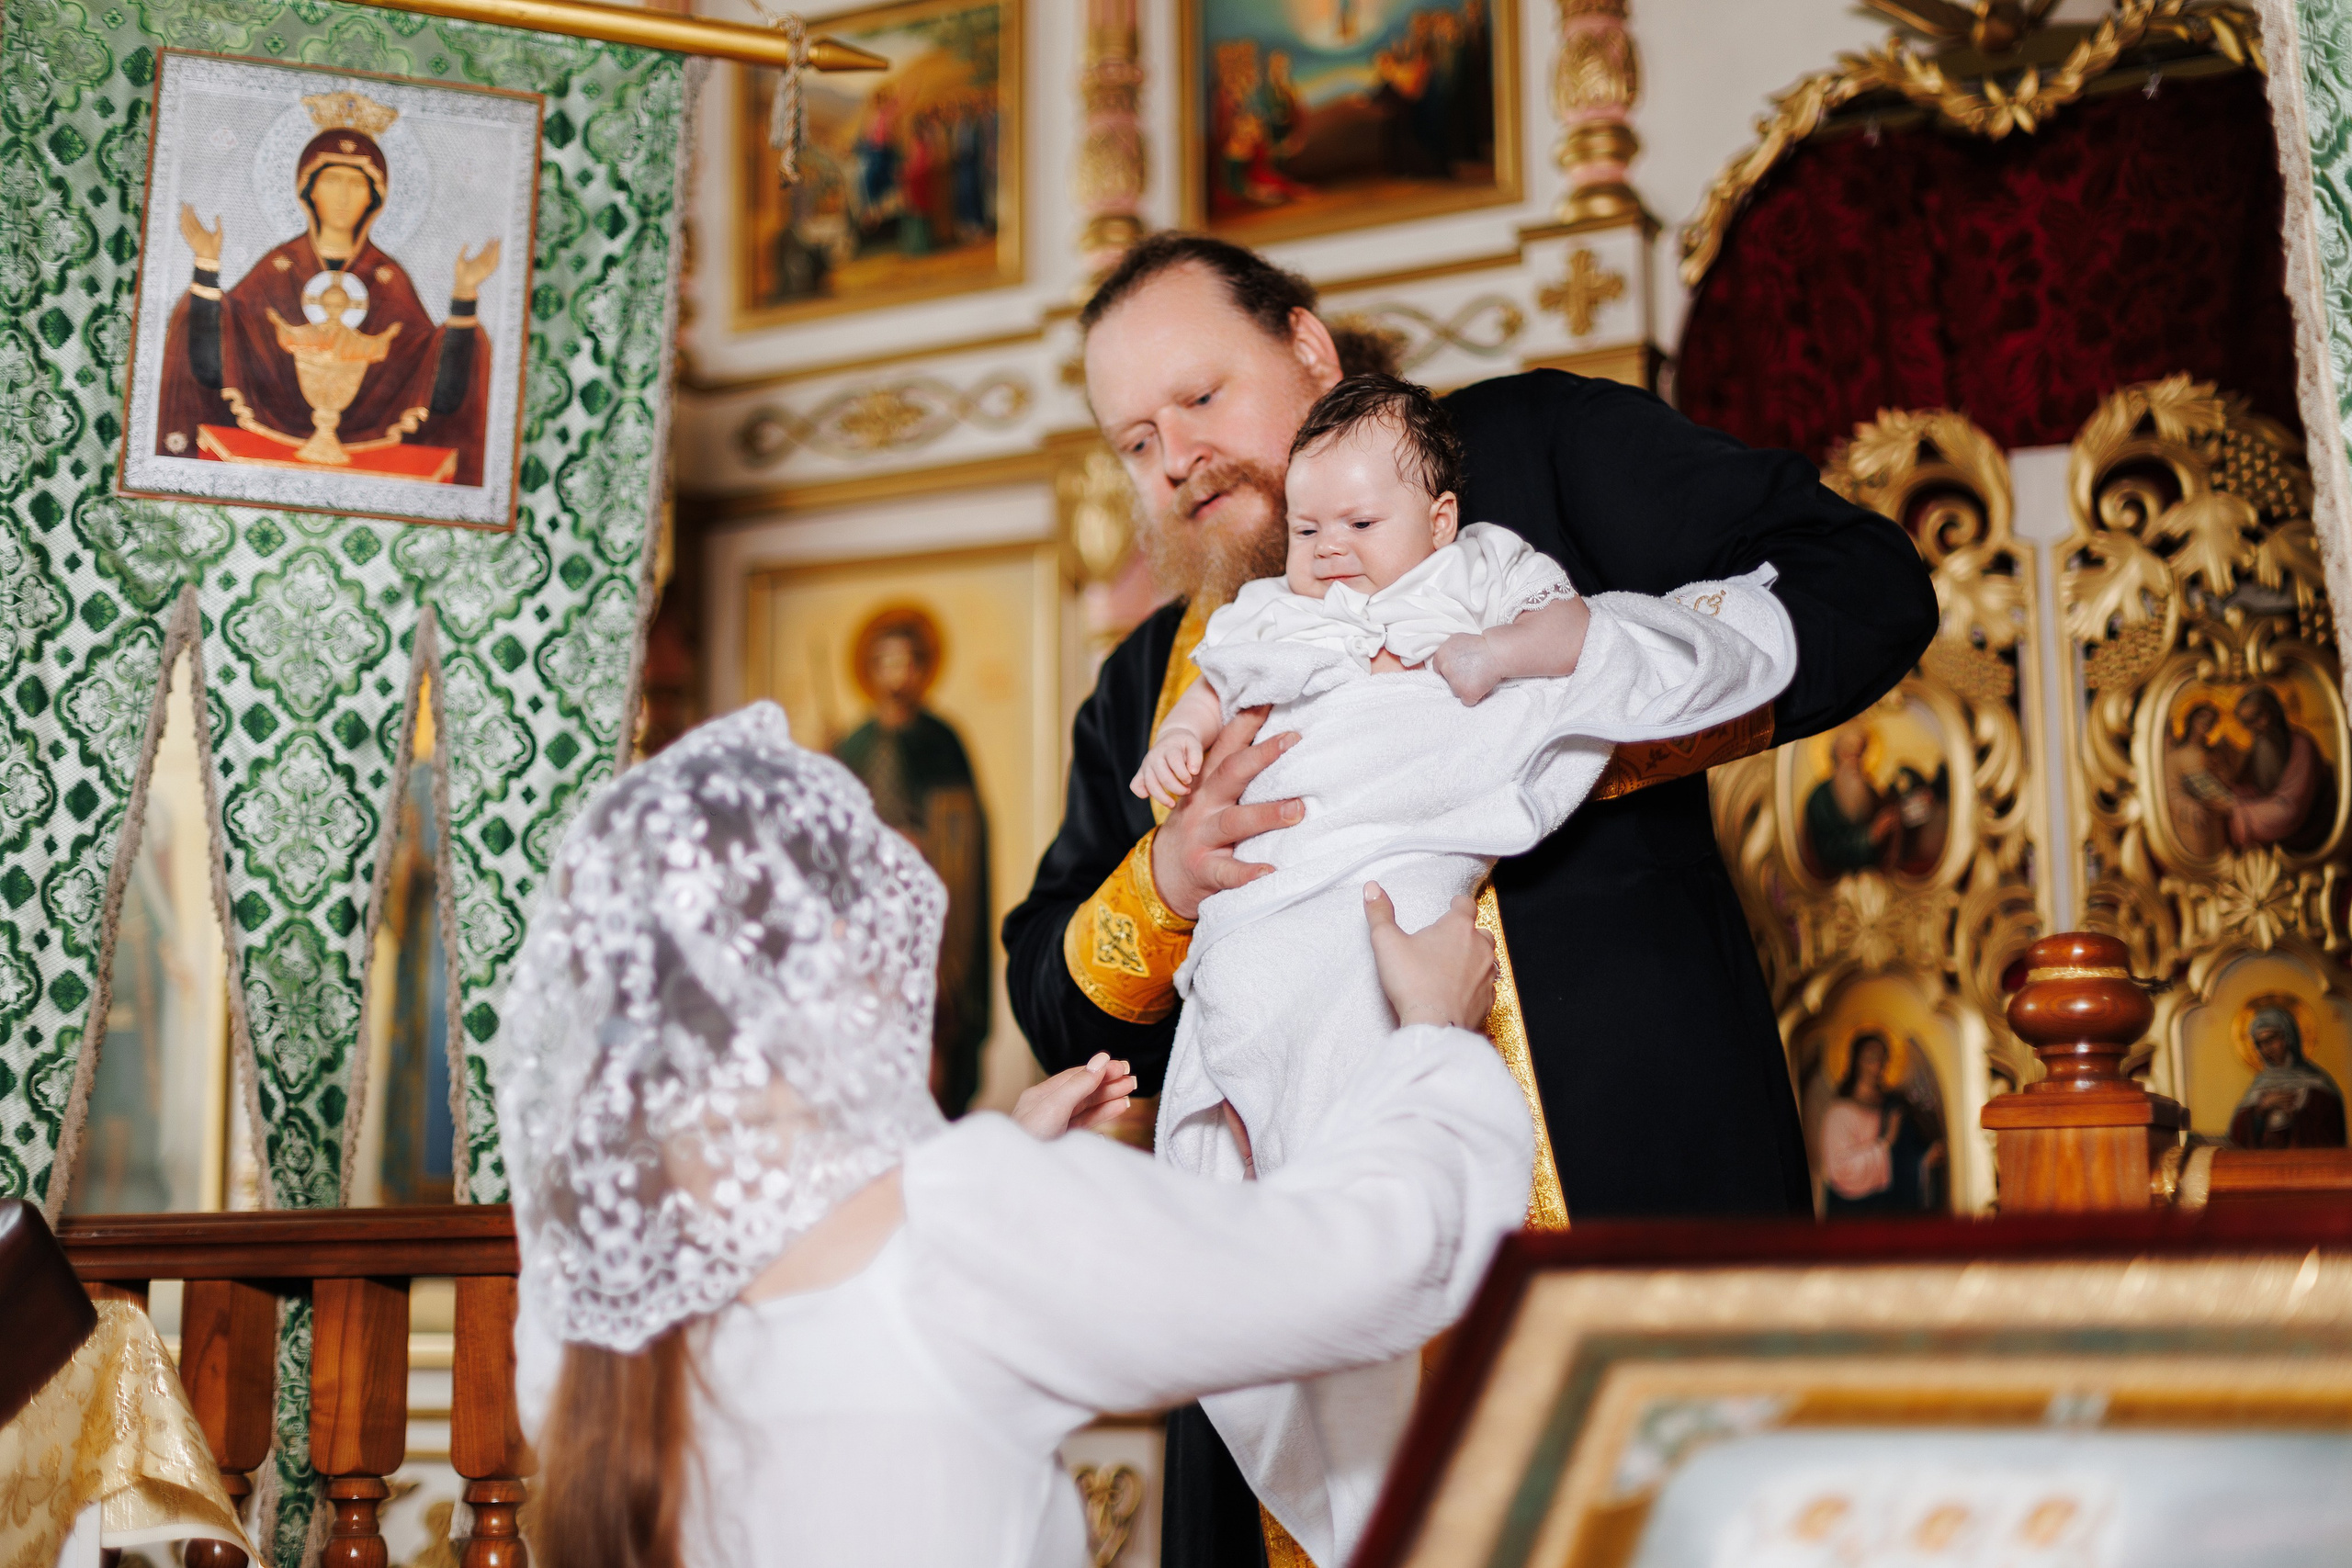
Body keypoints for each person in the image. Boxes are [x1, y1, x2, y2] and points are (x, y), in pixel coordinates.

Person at [1001, 233, 1937, 1565]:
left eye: (1201, 399)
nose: (1174, 458)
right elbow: (1050, 993)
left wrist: (1566, 737)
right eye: (1133, 439)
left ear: (1311, 349)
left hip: (1615, 1247)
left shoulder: (1534, 455)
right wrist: (1166, 879)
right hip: (1302, 1312)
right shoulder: (1157, 678)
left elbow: (1862, 580)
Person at [498, 704, 1531, 1568]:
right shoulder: (969, 1218)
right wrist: (1432, 1039)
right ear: (839, 947)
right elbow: (1362, 1267)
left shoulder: (589, 1285)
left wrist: (1000, 1152)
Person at [1121, 375, 1793, 1558]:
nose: (1326, 551)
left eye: (1197, 399)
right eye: (1133, 438)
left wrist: (1496, 657)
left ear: (1436, 521)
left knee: (1364, 1078)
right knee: (1264, 1034)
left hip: (1415, 852)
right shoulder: (1270, 613)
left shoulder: (1483, 563)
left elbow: (1567, 632)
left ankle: (1347, 1257)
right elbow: (1213, 690)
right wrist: (1181, 750)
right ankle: (1309, 1257)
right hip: (1287, 888)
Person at [156, 90, 498, 483]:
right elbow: (212, 362)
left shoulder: (389, 278)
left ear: (375, 197)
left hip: (369, 454)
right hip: (266, 446)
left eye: (356, 184)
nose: (343, 195)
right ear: (308, 190)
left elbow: (437, 385)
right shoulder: (277, 269)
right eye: (331, 180)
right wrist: (206, 266)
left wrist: (465, 295)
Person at [832, 611, 991, 1117]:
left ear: (923, 670)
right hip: (870, 919)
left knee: (932, 1027)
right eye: (886, 665)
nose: (897, 677)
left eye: (907, 664)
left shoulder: (941, 742)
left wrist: (920, 843)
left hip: (929, 913)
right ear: (870, 671)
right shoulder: (853, 745)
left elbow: (964, 829)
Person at [1815, 1032, 1944, 1214]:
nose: (1878, 1065)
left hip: (1891, 1206)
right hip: (1853, 1212)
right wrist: (1884, 1143)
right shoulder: (1838, 1113)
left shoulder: (1893, 1105)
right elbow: (1839, 1170)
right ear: (1856, 1061)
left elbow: (1906, 1156)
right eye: (1871, 1058)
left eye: (1882, 1058)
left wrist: (1923, 1161)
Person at [2227, 1002, 2346, 1149]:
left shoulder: (2318, 1083)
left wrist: (2296, 1115)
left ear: (2288, 1036)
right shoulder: (2258, 1085)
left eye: (2271, 1039)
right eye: (2260, 1044)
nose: (2266, 1049)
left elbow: (2333, 1135)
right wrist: (2261, 1109)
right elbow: (2237, 1139)